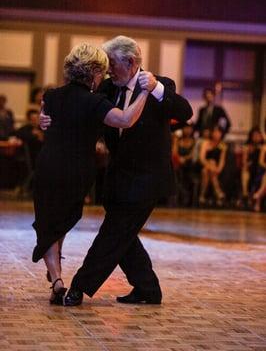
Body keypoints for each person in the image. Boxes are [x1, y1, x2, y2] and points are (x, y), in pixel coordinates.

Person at [59, 35, 193, 306]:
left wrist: (155, 88)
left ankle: (80, 286)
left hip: (147, 180)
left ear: (131, 62)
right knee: (124, 234)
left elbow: (186, 112)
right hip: (117, 178)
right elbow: (84, 109)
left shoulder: (161, 85)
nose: (108, 69)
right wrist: (51, 117)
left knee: (113, 233)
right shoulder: (108, 88)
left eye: (112, 64)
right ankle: (148, 289)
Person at [32, 42, 153, 305]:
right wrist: (145, 93)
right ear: (94, 72)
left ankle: (56, 279)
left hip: (47, 166)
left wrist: (41, 120)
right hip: (77, 171)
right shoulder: (95, 101)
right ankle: (57, 280)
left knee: (48, 224)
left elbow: (45, 118)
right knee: (61, 221)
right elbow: (125, 120)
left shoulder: (51, 95)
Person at [199, 125, 227, 207]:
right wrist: (210, 166)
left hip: (215, 170)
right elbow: (202, 158)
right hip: (204, 166)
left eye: (219, 132)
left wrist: (218, 169)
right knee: (210, 164)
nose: (216, 134)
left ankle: (202, 196)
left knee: (207, 171)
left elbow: (222, 161)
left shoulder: (222, 146)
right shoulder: (206, 143)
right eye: (215, 131)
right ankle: (218, 193)